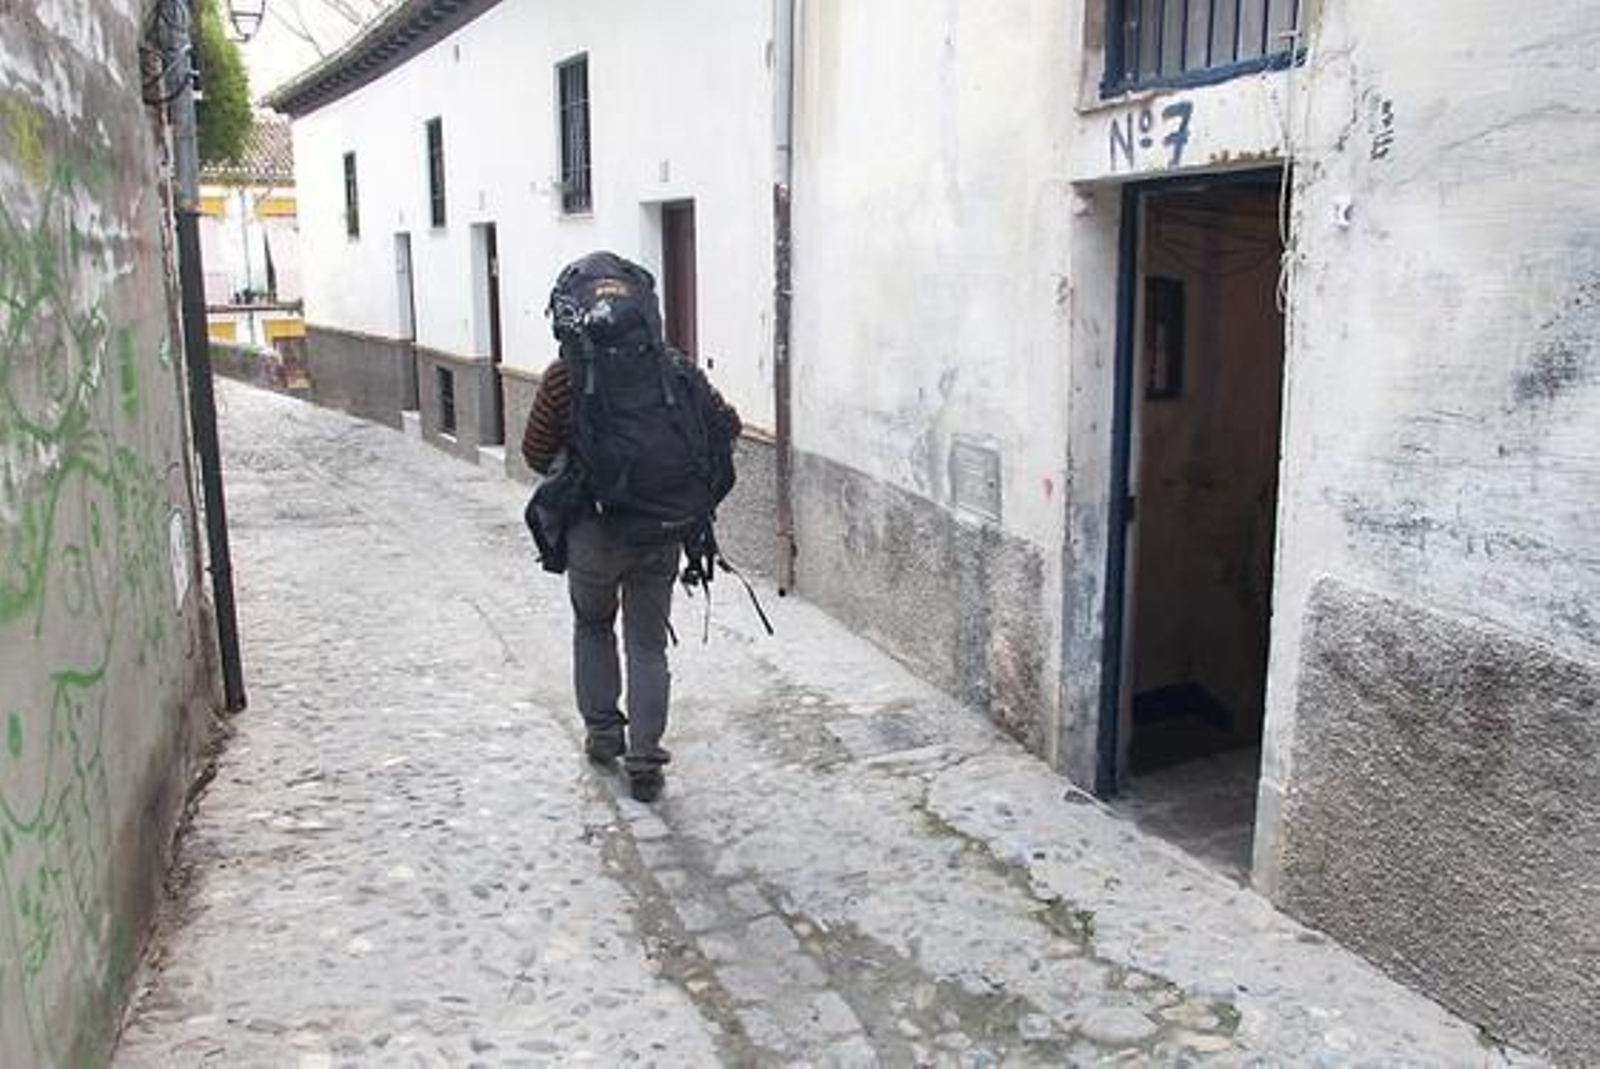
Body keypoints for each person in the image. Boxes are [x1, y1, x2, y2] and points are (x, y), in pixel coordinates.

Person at [521, 253, 741, 803]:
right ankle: (645, 760)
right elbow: (727, 426)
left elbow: (532, 451)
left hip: (593, 531)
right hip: (661, 529)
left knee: (592, 626)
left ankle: (603, 733)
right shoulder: (673, 368)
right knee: (647, 644)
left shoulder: (564, 377)